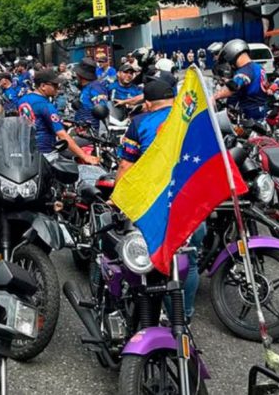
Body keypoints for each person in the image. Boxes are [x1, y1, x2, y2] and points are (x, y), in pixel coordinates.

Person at [115, 79, 204, 321]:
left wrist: (117, 197)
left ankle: (165, 314)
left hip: (157, 203)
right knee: (190, 259)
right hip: (192, 198)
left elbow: (126, 164)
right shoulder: (190, 118)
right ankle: (183, 315)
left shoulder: (139, 122)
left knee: (157, 259)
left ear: (147, 103)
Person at [18, 70, 99, 163]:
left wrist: (62, 122)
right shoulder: (45, 105)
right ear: (43, 86)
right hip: (46, 154)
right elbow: (62, 135)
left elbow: (34, 120)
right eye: (54, 85)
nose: (58, 88)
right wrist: (85, 156)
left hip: (27, 153)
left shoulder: (23, 100)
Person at [213, 39, 269, 120]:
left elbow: (233, 86)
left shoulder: (245, 70)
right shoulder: (258, 67)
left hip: (250, 116)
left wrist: (213, 98)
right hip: (261, 110)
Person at [74, 58, 110, 131]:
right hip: (79, 128)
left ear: (79, 74)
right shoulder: (85, 87)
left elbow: (101, 109)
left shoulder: (96, 88)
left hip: (91, 132)